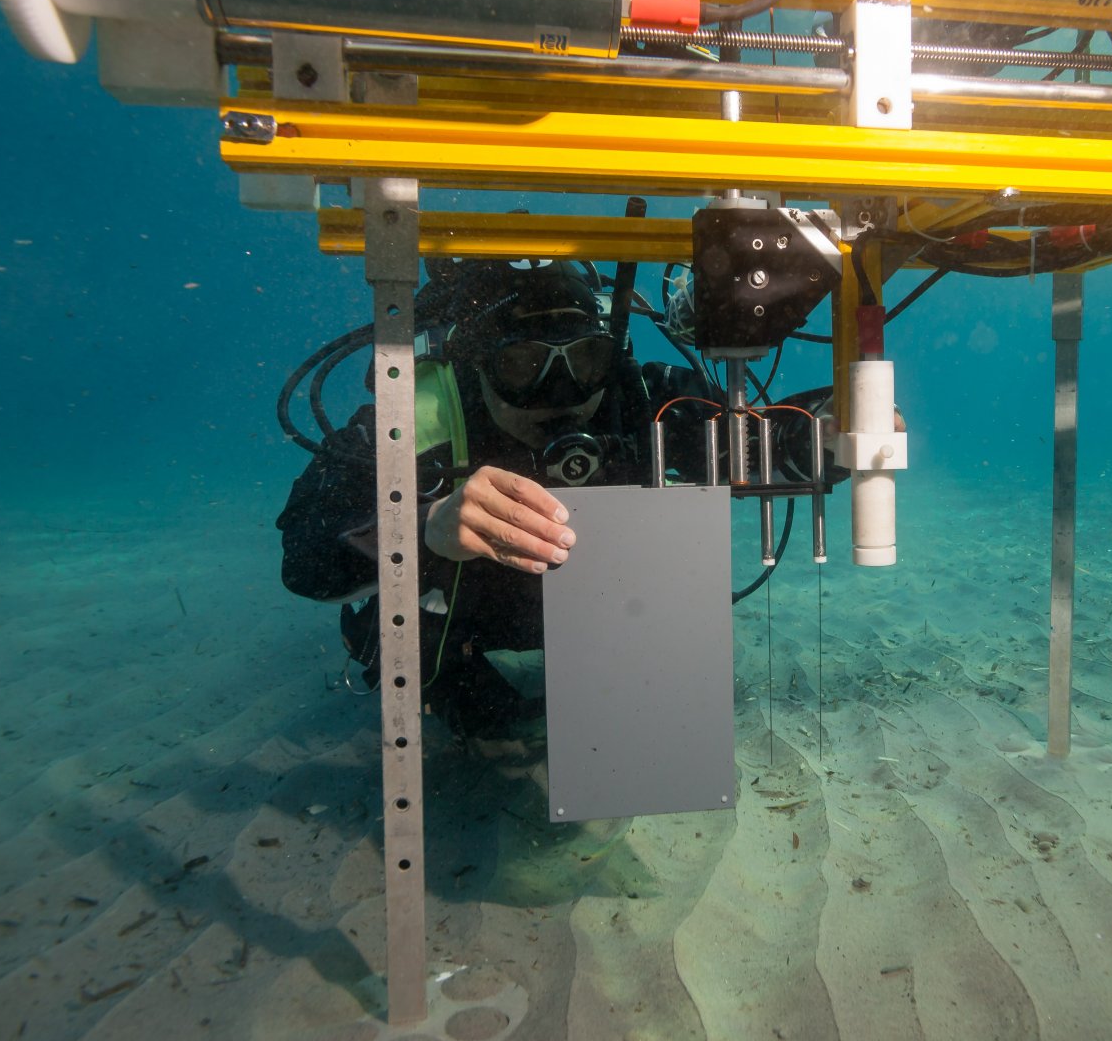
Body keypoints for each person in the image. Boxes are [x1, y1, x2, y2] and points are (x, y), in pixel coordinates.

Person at [278, 257, 799, 736]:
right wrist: (422, 528)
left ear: (609, 354)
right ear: (477, 364)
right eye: (525, 366)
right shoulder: (411, 422)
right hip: (464, 620)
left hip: (599, 618)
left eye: (586, 359)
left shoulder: (638, 397)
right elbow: (304, 557)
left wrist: (835, 435)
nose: (562, 392)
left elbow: (764, 443)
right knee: (474, 713)